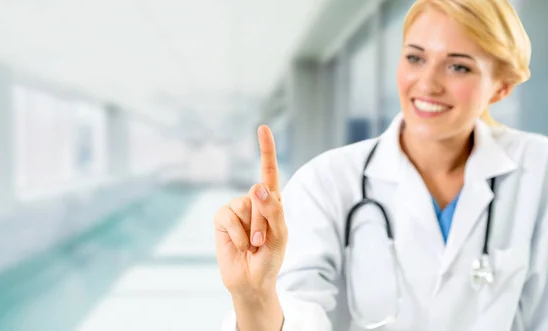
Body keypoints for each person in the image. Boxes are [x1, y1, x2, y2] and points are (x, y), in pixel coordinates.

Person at [214, 0, 548, 330]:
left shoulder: (539, 170)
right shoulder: (327, 182)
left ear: (501, 87)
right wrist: (252, 295)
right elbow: (295, 313)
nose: (428, 83)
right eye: (415, 58)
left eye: (458, 66)